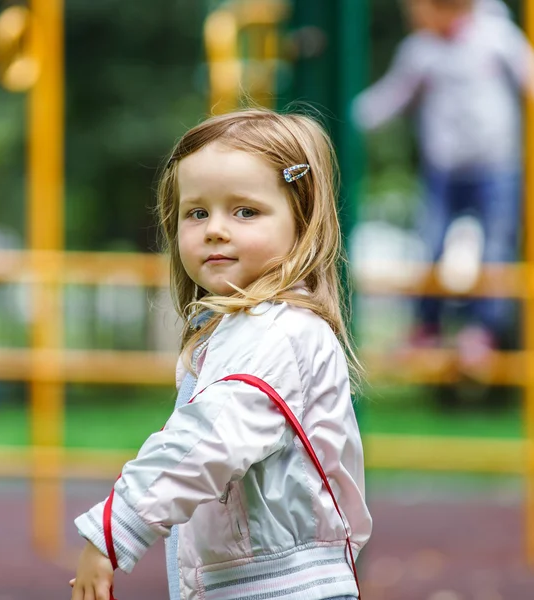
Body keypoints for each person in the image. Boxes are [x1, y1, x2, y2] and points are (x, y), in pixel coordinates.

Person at [69, 108, 372, 600]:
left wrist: (113, 529)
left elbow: (209, 439)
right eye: (197, 212)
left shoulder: (277, 333)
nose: (215, 229)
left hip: (280, 587)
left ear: (302, 217)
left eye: (245, 211)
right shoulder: (241, 331)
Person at [352, 0, 534, 366]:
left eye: (418, 11)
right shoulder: (421, 50)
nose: (412, 19)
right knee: (431, 242)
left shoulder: (496, 36)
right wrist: (348, 116)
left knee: (496, 247)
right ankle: (427, 326)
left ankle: (482, 331)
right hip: (444, 168)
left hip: (495, 165)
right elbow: (392, 96)